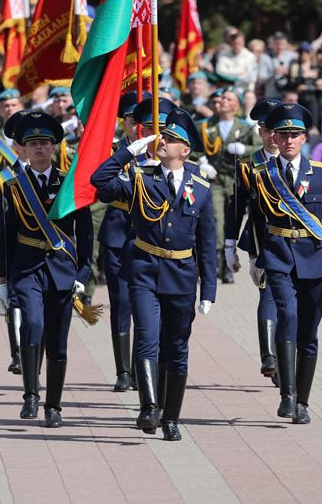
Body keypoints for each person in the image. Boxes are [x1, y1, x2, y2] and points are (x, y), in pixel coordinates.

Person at [91, 108, 217, 441]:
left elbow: (207, 245)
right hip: (145, 270)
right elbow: (99, 183)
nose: (163, 141)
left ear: (186, 150)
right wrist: (128, 151)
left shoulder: (201, 188)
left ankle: (171, 417)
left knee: (176, 348)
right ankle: (148, 407)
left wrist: (209, 291)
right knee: (147, 338)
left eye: (172, 139)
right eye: (163, 136)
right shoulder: (140, 177)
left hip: (181, 275)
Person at [0, 111, 93, 428]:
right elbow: (2, 233)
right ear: (22, 147)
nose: (38, 148)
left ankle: (54, 405)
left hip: (62, 269)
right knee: (32, 323)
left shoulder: (69, 182)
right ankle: (31, 395)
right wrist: (2, 278)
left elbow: (85, 232)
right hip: (26, 268)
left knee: (58, 340)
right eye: (32, 143)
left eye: (44, 143)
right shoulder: (8, 183)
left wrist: (83, 275)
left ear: (53, 147)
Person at [254, 102, 322, 424]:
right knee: (287, 316)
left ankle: (303, 401)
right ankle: (287, 396)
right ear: (274, 139)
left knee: (309, 333)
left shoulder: (321, 173)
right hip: (278, 257)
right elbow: (255, 219)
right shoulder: (263, 174)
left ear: (304, 138)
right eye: (283, 135)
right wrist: (254, 256)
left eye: (295, 135)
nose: (289, 141)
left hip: (315, 262)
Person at [224, 98, 282, 385]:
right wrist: (228, 245)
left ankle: (284, 360)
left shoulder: (304, 165)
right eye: (266, 129)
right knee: (269, 294)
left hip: (301, 248)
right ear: (259, 132)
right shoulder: (249, 166)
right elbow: (236, 208)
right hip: (263, 244)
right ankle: (270, 356)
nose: (273, 136)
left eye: (278, 129)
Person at [99, 90, 152, 392]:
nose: (138, 127)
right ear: (125, 123)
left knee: (144, 301)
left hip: (149, 236)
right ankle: (123, 370)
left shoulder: (160, 153)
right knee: (120, 302)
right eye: (133, 121)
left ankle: (140, 364)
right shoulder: (112, 151)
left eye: (145, 121)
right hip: (119, 231)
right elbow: (103, 188)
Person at [0, 88, 27, 376]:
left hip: (46, 254)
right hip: (14, 253)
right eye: (24, 140)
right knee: (16, 304)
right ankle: (19, 354)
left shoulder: (57, 175)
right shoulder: (3, 177)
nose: (31, 146)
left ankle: (31, 353)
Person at [197, 86, 262, 283]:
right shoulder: (206, 125)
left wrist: (245, 148)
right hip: (215, 180)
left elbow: (262, 147)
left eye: (228, 98)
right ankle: (218, 263)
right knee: (217, 220)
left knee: (233, 220)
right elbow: (192, 148)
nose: (223, 101)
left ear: (236, 105)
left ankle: (228, 266)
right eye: (222, 98)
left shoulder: (246, 127)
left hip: (237, 181)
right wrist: (202, 161)